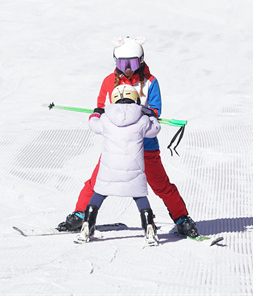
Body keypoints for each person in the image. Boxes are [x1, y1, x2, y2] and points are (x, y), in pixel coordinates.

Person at [58, 36, 200, 238]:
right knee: (96, 181)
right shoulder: (109, 81)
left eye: (132, 63)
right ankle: (81, 214)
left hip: (145, 146)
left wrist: (140, 111)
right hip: (116, 145)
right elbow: (102, 107)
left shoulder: (150, 82)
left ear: (141, 61)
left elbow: (155, 111)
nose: (127, 69)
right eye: (122, 63)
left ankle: (182, 219)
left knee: (161, 185)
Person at [75, 85, 161, 246]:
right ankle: (149, 228)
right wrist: (151, 116)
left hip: (109, 169)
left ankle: (87, 225)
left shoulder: (106, 119)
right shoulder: (142, 119)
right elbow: (155, 129)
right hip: (133, 170)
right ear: (135, 99)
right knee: (139, 196)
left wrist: (96, 113)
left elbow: (93, 125)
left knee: (99, 193)